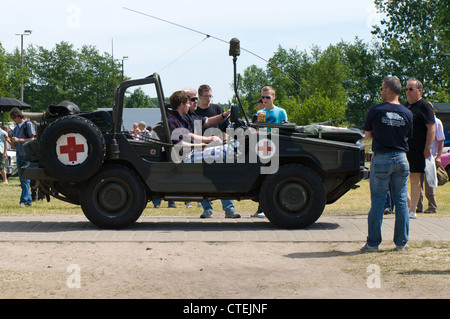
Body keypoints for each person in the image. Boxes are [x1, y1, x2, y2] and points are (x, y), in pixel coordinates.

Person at [168, 90, 240, 219]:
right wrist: (203, 145)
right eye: (188, 102)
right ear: (181, 104)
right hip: (186, 157)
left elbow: (188, 134)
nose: (190, 105)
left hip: (192, 153)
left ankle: (227, 209)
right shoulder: (173, 120)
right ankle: (242, 168)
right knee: (225, 151)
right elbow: (179, 146)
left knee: (224, 157)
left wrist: (208, 139)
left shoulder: (179, 118)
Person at [361, 76, 413, 252]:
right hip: (401, 158)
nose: (381, 91)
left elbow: (367, 135)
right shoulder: (407, 113)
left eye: (382, 89)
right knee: (401, 202)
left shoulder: (375, 110)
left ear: (388, 90)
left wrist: (372, 150)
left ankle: (373, 244)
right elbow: (407, 136)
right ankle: (401, 243)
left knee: (378, 202)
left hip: (381, 158)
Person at [404, 78, 436, 219]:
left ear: (419, 91)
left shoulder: (424, 106)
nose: (408, 92)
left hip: (418, 148)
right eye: (406, 89)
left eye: (411, 89)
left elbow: (431, 127)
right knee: (398, 177)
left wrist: (428, 146)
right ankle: (411, 204)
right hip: (403, 147)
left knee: (414, 177)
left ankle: (413, 211)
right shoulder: (404, 106)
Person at [417, 112, 445, 213]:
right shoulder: (421, 121)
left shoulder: (436, 122)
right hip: (419, 156)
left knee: (430, 182)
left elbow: (441, 140)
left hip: (430, 157)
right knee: (417, 182)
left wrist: (438, 157)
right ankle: (418, 206)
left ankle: (432, 206)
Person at [9, 107, 36, 207]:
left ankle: (23, 201)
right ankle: (28, 201)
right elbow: (15, 146)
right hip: (19, 156)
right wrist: (9, 141)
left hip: (27, 156)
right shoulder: (15, 128)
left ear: (17, 116)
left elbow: (33, 139)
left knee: (25, 180)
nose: (13, 120)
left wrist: (19, 140)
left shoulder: (28, 124)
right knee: (23, 180)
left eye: (13, 118)